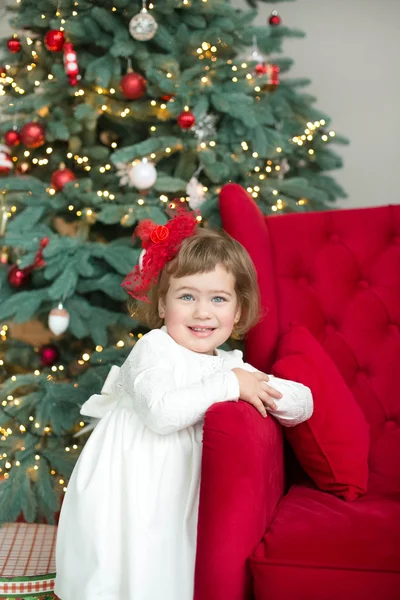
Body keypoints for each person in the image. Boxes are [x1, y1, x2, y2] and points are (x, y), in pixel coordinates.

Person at [55, 212, 313, 600]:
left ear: (238, 312)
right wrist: (230, 385)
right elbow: (161, 413)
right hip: (132, 485)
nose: (202, 312)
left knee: (173, 569)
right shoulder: (154, 348)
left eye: (219, 299)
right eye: (187, 296)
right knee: (127, 568)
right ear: (162, 304)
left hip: (180, 490)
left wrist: (256, 386)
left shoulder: (229, 362)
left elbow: (301, 405)